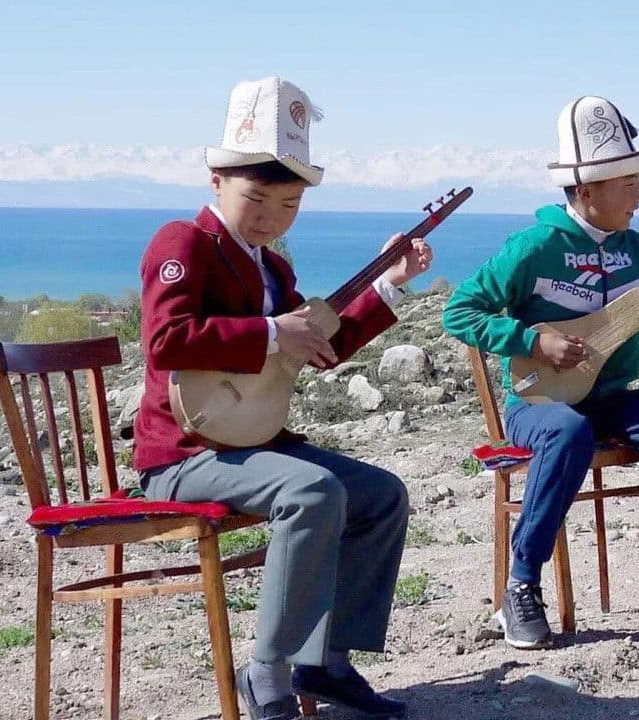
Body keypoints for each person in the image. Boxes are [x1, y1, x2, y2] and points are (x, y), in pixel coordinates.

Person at [135, 76, 432, 719]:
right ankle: (265, 669)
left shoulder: (275, 270)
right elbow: (166, 340)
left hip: (253, 446)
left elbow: (319, 347)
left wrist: (393, 286)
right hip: (183, 455)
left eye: (289, 204)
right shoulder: (182, 243)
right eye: (258, 198)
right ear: (216, 180)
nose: (272, 216)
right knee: (312, 490)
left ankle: (324, 664)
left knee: (381, 494)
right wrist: (271, 332)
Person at [443, 96, 639, 651]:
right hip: (539, 405)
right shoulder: (533, 249)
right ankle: (520, 586)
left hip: (614, 398)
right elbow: (459, 311)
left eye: (638, 181)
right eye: (628, 184)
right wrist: (530, 339)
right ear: (585, 191)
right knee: (568, 431)